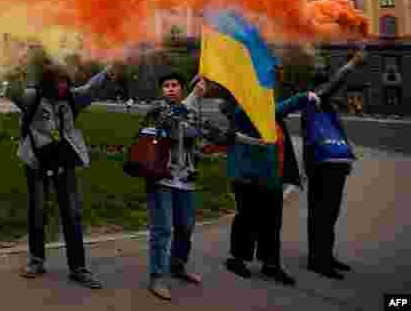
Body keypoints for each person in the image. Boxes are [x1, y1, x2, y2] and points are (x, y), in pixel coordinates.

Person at [5, 56, 118, 289]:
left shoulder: (72, 98)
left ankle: (78, 268)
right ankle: (36, 260)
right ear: (48, 82)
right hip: (36, 161)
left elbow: (90, 89)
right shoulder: (32, 96)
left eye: (66, 81)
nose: (64, 86)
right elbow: (14, 92)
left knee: (72, 213)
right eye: (59, 81)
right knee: (38, 210)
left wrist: (106, 73)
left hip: (63, 163)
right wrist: (15, 71)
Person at [141, 73, 230, 301]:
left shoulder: (191, 112)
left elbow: (198, 139)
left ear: (181, 89)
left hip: (186, 179)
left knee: (186, 227)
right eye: (166, 85)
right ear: (162, 91)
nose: (170, 88)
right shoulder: (158, 108)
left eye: (175, 85)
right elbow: (168, 123)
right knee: (162, 228)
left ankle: (178, 266)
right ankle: (157, 276)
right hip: (161, 177)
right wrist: (194, 95)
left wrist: (216, 140)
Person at [224, 78, 319, 286]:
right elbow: (275, 110)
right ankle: (237, 259)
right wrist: (302, 97)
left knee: (272, 223)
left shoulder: (270, 114)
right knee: (247, 219)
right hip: (246, 177)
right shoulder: (243, 110)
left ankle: (271, 264)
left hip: (271, 177)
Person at [303, 46, 367, 279]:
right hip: (323, 167)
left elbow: (339, 136)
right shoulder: (315, 100)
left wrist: (346, 159)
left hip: (332, 165)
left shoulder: (325, 106)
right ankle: (319, 260)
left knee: (326, 213)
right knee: (324, 213)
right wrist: (351, 64)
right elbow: (332, 86)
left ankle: (323, 256)